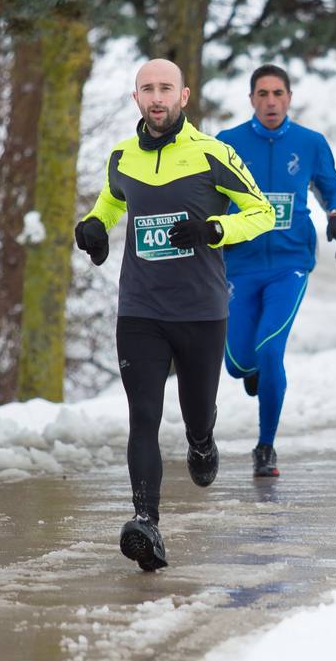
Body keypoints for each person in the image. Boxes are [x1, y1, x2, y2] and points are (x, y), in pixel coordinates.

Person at [73, 58, 274, 571]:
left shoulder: (214, 154)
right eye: (147, 89)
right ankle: (146, 523)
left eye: (166, 89)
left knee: (195, 413)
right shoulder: (121, 156)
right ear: (135, 98)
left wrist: (215, 230)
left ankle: (202, 443)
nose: (156, 98)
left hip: (202, 312)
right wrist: (93, 226)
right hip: (139, 309)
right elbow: (111, 203)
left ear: (184, 97)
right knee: (143, 415)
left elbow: (261, 211)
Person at [216, 64, 336, 479]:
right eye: (262, 94)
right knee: (238, 362)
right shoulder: (227, 143)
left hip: (289, 264)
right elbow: (211, 197)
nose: (271, 101)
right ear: (251, 99)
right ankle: (254, 371)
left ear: (289, 97)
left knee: (271, 349)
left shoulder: (309, 143)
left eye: (278, 93)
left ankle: (265, 446)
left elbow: (330, 186)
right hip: (240, 264)